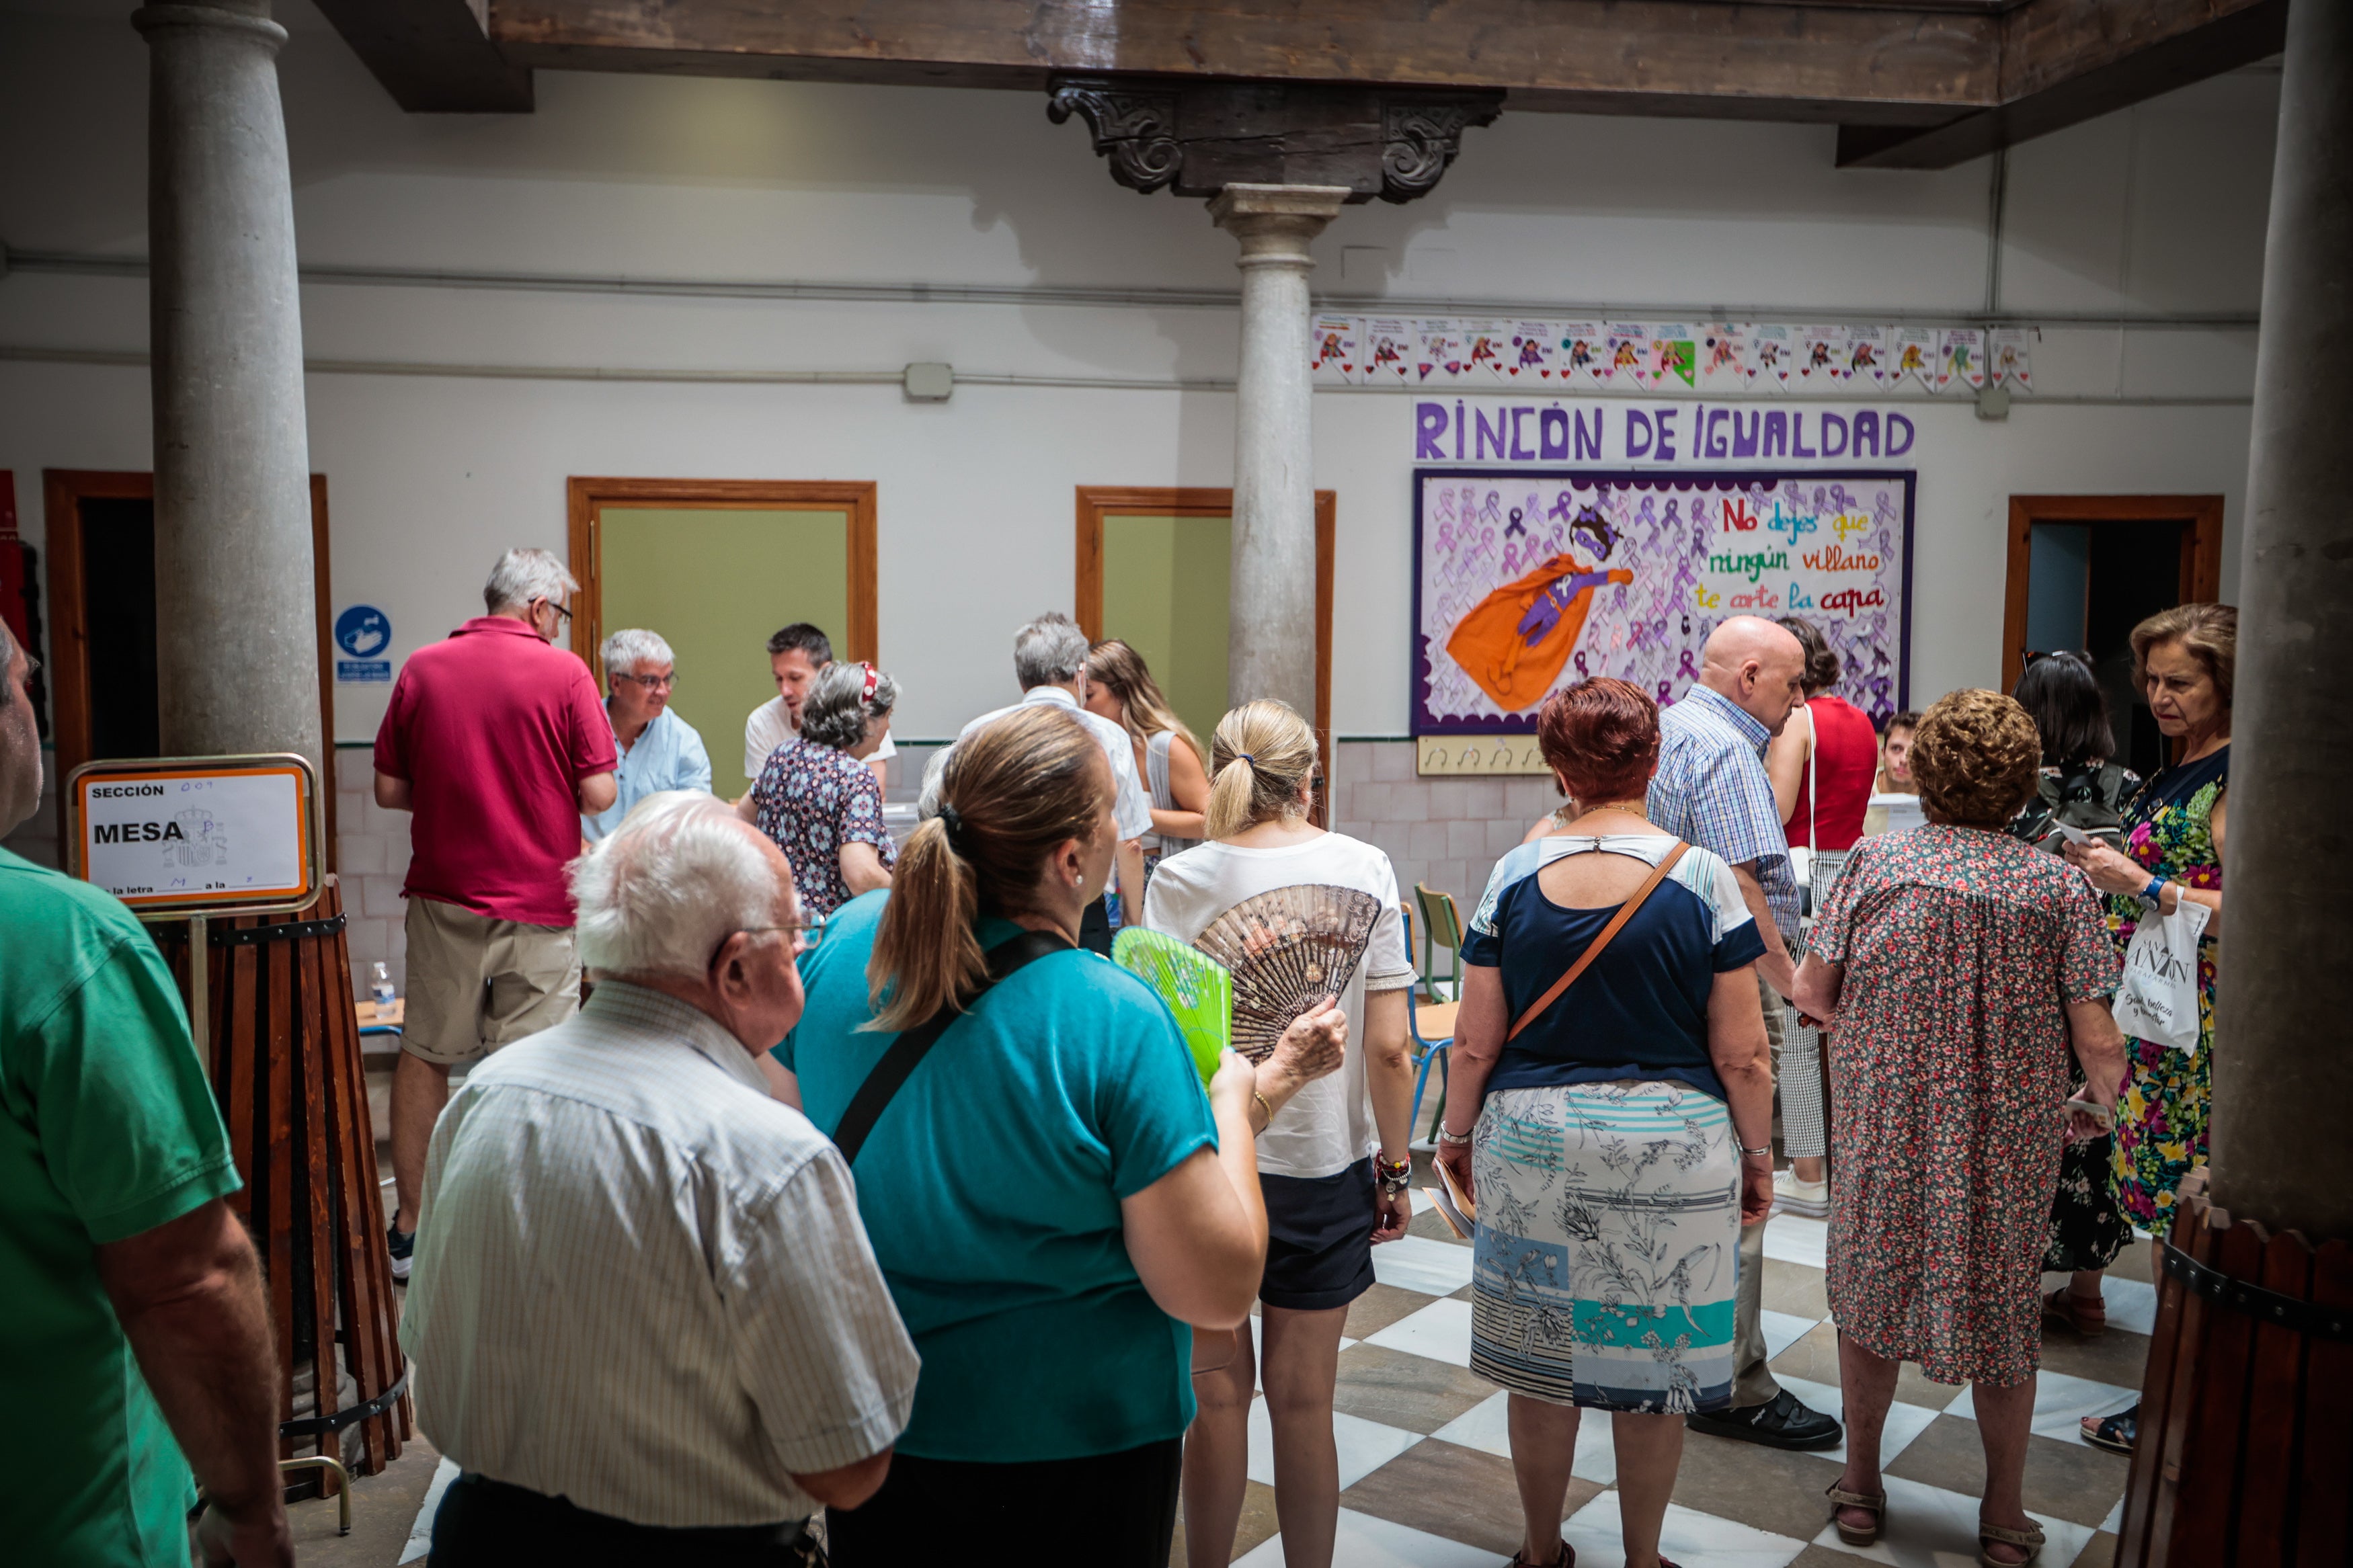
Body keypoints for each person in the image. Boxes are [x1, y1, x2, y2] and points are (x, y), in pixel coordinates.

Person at [776, 705, 1345, 1567]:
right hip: (1074, 1448)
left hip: (875, 1417)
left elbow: (789, 1136)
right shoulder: (1110, 1013)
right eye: (1112, 810)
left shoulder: (848, 945)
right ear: (1072, 859)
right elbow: (1217, 1287)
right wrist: (1232, 1097)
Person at [403, 792, 918, 1563]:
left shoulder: (485, 1093)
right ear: (735, 966)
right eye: (795, 932)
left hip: (480, 1534)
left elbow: (431, 1343)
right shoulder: (766, 1157)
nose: (805, 947)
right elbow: (847, 1464)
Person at [1435, 678, 1776, 1568]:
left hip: (1533, 1141)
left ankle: (1541, 1548)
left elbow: (1473, 1042)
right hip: (1673, 1147)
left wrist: (1456, 1136)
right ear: (1653, 763)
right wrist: (1759, 1155)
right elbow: (1743, 1053)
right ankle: (1642, 1554)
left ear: (1556, 767)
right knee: (1653, 1372)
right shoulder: (1702, 877)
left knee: (1542, 1366)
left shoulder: (1514, 874)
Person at [1793, 689, 2126, 1568]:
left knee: (1868, 1301)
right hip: (2003, 1145)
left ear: (1925, 775)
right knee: (2004, 1311)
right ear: (2022, 788)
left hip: (1887, 1131)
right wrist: (2098, 1107)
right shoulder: (2057, 884)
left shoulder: (1873, 865)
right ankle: (2004, 1513)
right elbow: (2099, 1039)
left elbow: (1811, 994)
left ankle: (1861, 1485)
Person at [0, 620, 293, 1567]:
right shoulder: (59, 947)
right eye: (23, 685)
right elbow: (186, 1275)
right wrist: (250, 1507)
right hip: (61, 1518)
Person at [1142, 699, 1419, 1568]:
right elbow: (1392, 1046)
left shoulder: (1178, 882)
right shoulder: (1366, 866)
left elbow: (1167, 1045)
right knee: (1306, 1406)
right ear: (1309, 780)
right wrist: (1398, 1169)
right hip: (1324, 1172)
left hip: (1213, 1164)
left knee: (1217, 1405)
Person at [374, 548, 616, 1280]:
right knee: (533, 1068)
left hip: (445, 895)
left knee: (425, 1053)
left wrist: (458, 797)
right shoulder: (564, 673)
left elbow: (389, 789)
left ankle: (412, 1229)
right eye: (560, 615)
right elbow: (600, 794)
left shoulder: (422, 667)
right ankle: (523, 1230)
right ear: (540, 608)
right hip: (541, 904)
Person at [1644, 615, 1840, 1450]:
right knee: (1742, 1186)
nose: (1800, 701)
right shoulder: (1726, 749)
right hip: (1724, 978)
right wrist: (1789, 979)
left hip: (1669, 979)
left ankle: (1672, 1350)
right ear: (1749, 674)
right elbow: (1741, 879)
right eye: (1793, 684)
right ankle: (1733, 1384)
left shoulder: (1668, 725)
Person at [2055, 603, 2233, 1456]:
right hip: (2155, 1023)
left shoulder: (2236, 775)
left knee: (2180, 1220)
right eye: (2151, 680)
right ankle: (2172, 1395)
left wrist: (2149, 888)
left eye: (2180, 681)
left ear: (2225, 683)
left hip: (2198, 1035)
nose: (2159, 696)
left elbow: (2263, 912)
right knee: (2162, 1219)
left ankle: (2179, 1407)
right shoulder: (2184, 764)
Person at [2007, 651, 2143, 1341]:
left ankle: (2018, 1286)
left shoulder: (2010, 792)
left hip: (2028, 979)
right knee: (2095, 1118)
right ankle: (2086, 1292)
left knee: (2029, 1124)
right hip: (2112, 976)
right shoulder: (2132, 789)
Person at [1761, 616, 1878, 1219]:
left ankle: (1808, 1171)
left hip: (1806, 882)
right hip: (1853, 874)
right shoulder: (1861, 720)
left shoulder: (1798, 721)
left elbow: (1780, 805)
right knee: (1844, 1030)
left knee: (1799, 1032)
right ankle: (1850, 1163)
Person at [959, 611, 1153, 954]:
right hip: (1080, 909)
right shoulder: (1110, 737)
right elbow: (1130, 844)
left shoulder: (977, 733)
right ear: (1082, 674)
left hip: (991, 911)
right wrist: (1131, 925)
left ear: (1023, 681)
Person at [739, 660, 899, 919]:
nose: (888, 727)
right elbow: (860, 874)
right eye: (888, 716)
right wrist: (909, 895)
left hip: (780, 922)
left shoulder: (783, 754)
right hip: (829, 936)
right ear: (867, 719)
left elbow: (743, 818)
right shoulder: (854, 777)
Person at [1084, 638, 1211, 872]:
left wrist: (1134, 814)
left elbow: (1210, 822)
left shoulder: (1166, 747)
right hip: (1100, 881)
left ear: (1121, 691)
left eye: (1089, 695)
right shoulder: (1092, 747)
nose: (1082, 706)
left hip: (1154, 876)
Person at [582, 627, 712, 841]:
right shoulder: (579, 731)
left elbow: (695, 821)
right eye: (650, 681)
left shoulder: (683, 741)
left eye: (667, 679)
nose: (663, 691)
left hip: (654, 868)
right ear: (616, 683)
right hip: (585, 865)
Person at [743, 622, 895, 790]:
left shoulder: (862, 712)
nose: (785, 691)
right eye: (779, 679)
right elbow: (764, 799)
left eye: (795, 678)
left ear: (825, 673)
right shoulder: (762, 723)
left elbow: (875, 792)